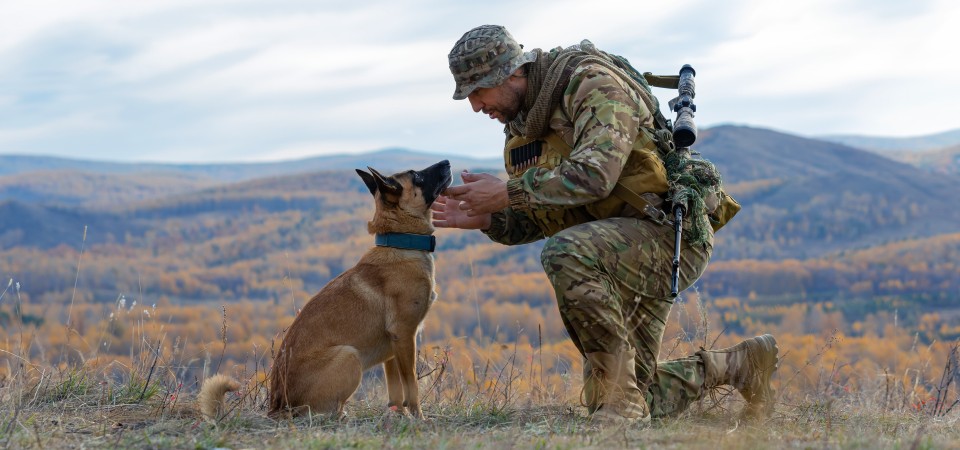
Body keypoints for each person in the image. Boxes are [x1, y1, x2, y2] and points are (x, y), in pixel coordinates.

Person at [432, 24, 779, 424]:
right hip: (610, 249)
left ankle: (623, 403)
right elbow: (546, 213)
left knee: (565, 254)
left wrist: (509, 192)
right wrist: (491, 218)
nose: (476, 106)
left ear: (511, 73)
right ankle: (740, 364)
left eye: (478, 92)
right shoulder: (523, 127)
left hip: (664, 235)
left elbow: (595, 176)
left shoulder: (591, 84)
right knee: (631, 398)